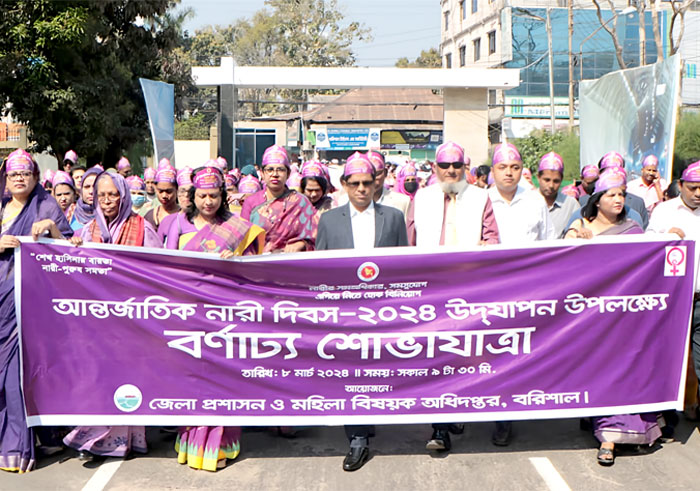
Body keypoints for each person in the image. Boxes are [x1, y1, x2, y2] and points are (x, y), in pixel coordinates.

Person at [163, 167, 263, 471]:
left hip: (225, 315)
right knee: (192, 380)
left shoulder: (239, 228)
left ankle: (220, 444)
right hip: (188, 314)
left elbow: (256, 271)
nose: (208, 201)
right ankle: (191, 441)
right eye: (202, 195)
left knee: (222, 379)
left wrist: (240, 263)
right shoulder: (178, 224)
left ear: (223, 196)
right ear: (193, 196)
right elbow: (165, 267)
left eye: (214, 195)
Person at [316, 153, 408, 472]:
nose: (361, 189)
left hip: (382, 312)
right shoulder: (329, 220)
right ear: (344, 185)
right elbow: (319, 270)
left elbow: (402, 267)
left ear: (376, 183)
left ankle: (370, 420)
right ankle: (356, 439)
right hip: (344, 313)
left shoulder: (393, 217)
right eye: (354, 183)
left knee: (377, 373)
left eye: (367, 183)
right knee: (351, 376)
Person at [405, 142, 499, 453]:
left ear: (464, 168)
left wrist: (487, 251)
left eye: (456, 166)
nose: (450, 171)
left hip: (469, 291)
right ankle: (440, 427)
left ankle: (457, 410)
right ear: (435, 168)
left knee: (463, 356)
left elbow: (492, 238)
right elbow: (407, 245)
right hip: (430, 291)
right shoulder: (422, 198)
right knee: (437, 358)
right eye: (444, 166)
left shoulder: (481, 197)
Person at [564, 169, 658, 466]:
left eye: (621, 194)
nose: (619, 199)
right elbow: (562, 258)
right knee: (599, 369)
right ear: (597, 199)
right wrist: (575, 238)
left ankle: (621, 433)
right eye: (611, 194)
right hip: (592, 316)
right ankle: (602, 426)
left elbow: (646, 264)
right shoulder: (581, 224)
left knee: (624, 368)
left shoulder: (632, 228)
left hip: (625, 315)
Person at [64, 172, 159, 462]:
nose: (106, 201)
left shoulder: (142, 227)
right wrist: (73, 250)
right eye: (100, 195)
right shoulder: (85, 230)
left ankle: (124, 441)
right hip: (95, 323)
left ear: (123, 196)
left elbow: (159, 268)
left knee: (126, 379)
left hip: (131, 320)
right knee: (97, 378)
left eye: (113, 194)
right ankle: (93, 438)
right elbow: (70, 272)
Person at [0, 149, 73, 473]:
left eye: (25, 173)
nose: (19, 179)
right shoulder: (1, 208)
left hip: (28, 303)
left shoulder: (46, 206)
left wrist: (52, 231)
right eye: (13, 174)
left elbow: (71, 250)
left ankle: (17, 445)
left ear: (34, 177)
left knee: (16, 376)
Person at [647, 161, 700, 409]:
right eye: (693, 187)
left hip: (699, 300)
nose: (698, 193)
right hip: (672, 300)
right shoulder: (664, 212)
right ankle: (663, 416)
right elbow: (645, 253)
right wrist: (664, 238)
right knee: (667, 358)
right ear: (680, 185)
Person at [240, 145, 316, 253]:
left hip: (291, 264)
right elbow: (242, 240)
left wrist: (301, 244)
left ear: (288, 173)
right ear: (262, 173)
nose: (275, 174)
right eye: (270, 170)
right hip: (258, 264)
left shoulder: (301, 202)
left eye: (280, 170)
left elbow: (316, 237)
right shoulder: (251, 203)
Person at [489, 143, 555, 245]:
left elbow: (550, 241)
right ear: (492, 171)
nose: (509, 173)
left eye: (515, 168)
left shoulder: (536, 201)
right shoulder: (482, 201)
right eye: (502, 167)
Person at [537, 152, 580, 237]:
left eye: (556, 181)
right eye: (547, 180)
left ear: (561, 179)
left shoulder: (571, 205)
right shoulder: (526, 202)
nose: (551, 186)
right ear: (538, 178)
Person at [366, 150, 410, 218]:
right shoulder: (346, 202)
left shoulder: (402, 202)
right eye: (367, 174)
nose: (372, 179)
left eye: (377, 174)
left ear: (385, 173)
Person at [69, 166, 102, 231]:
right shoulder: (71, 211)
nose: (91, 192)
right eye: (87, 187)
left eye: (95, 186)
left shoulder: (110, 215)